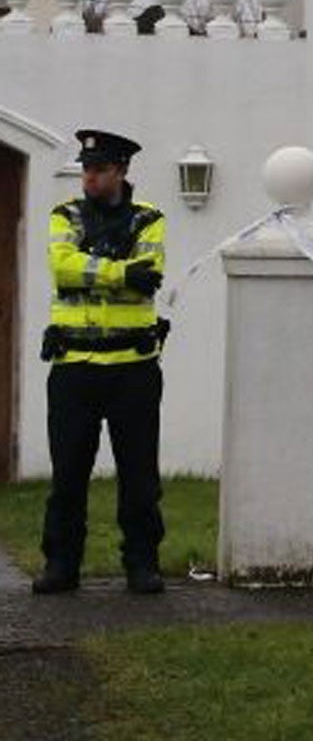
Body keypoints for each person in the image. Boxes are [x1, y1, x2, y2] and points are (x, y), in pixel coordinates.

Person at [33, 130, 169, 595]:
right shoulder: (63, 216)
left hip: (133, 364)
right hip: (74, 364)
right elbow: (62, 266)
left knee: (139, 475)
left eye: (100, 169)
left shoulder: (149, 219)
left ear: (122, 171)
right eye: (86, 169)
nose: (89, 177)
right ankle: (61, 564)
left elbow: (146, 279)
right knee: (68, 473)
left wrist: (94, 268)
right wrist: (116, 270)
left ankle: (142, 563)